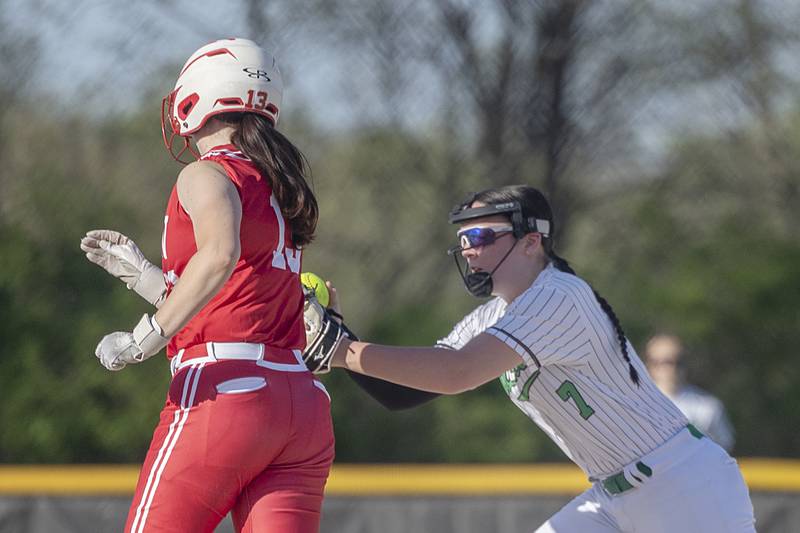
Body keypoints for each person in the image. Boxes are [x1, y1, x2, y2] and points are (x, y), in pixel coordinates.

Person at [302, 185, 756, 533]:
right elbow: (405, 391)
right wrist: (343, 345)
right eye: (462, 240)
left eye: (480, 235)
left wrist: (341, 349)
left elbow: (456, 373)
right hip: (613, 497)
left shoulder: (559, 295)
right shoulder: (495, 314)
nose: (468, 249)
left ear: (530, 241)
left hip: (683, 486)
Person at [80, 38, 335, 533]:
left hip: (226, 391)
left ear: (195, 97)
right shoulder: (278, 185)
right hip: (300, 401)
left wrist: (143, 338)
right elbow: (239, 297)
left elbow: (220, 256)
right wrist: (146, 277)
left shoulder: (206, 173)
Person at [644, 333, 735, 452]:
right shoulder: (636, 406)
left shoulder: (708, 407)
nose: (669, 368)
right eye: (661, 362)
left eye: (676, 361)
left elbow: (724, 446)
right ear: (648, 365)